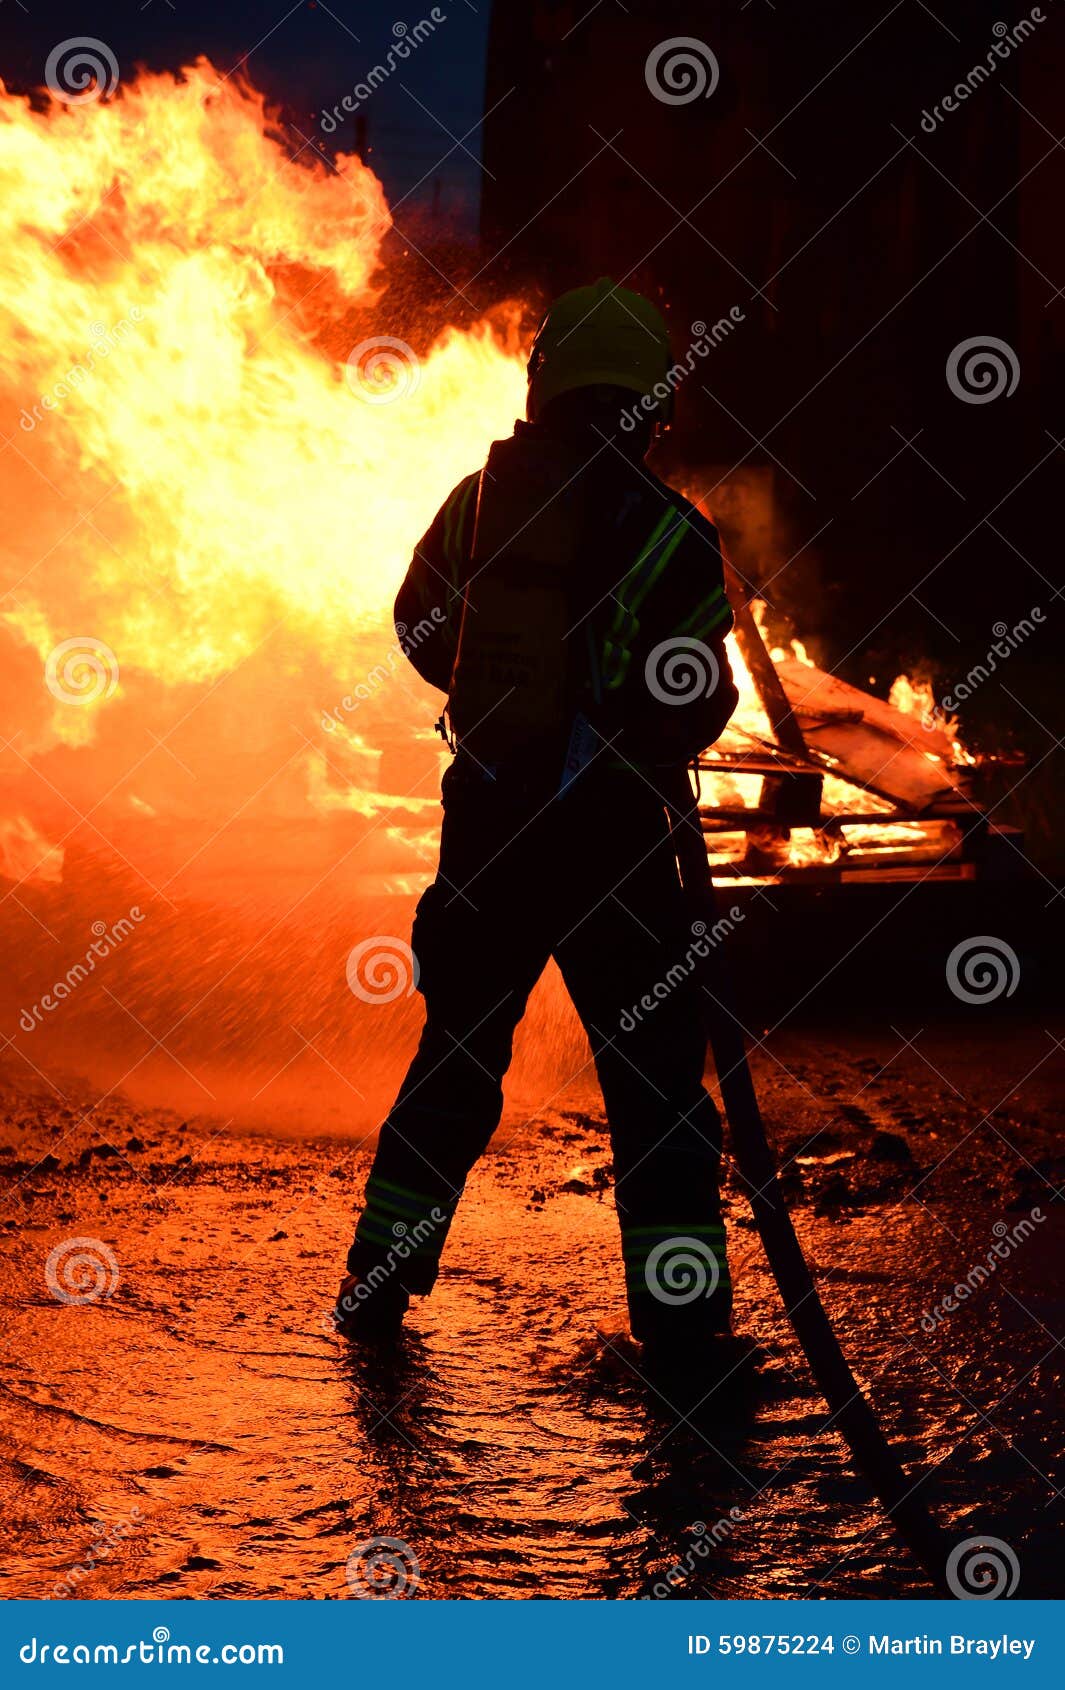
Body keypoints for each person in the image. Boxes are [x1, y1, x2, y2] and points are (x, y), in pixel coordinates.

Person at [336, 279, 738, 1362]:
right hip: (616, 850)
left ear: (542, 384)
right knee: (655, 1093)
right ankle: (684, 1330)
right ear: (653, 400)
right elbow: (699, 694)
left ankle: (376, 1283)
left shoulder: (478, 502)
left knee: (456, 1062)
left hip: (490, 833)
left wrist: (511, 710)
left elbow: (419, 629)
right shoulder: (672, 533)